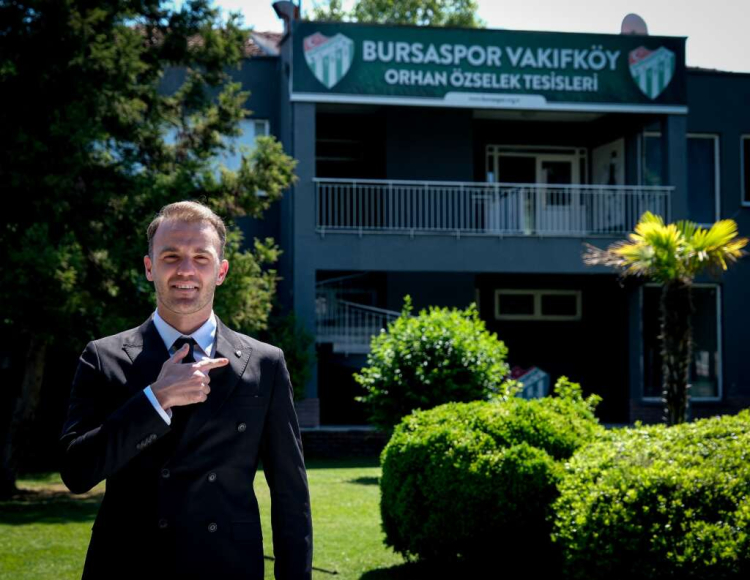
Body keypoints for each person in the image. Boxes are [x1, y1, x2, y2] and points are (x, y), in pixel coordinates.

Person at [58, 200, 313, 579]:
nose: (186, 270)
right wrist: (156, 399)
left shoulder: (265, 363)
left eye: (201, 258)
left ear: (221, 271)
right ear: (150, 267)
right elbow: (77, 473)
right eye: (171, 256)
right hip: (130, 565)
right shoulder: (102, 357)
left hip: (228, 567)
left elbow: (290, 494)